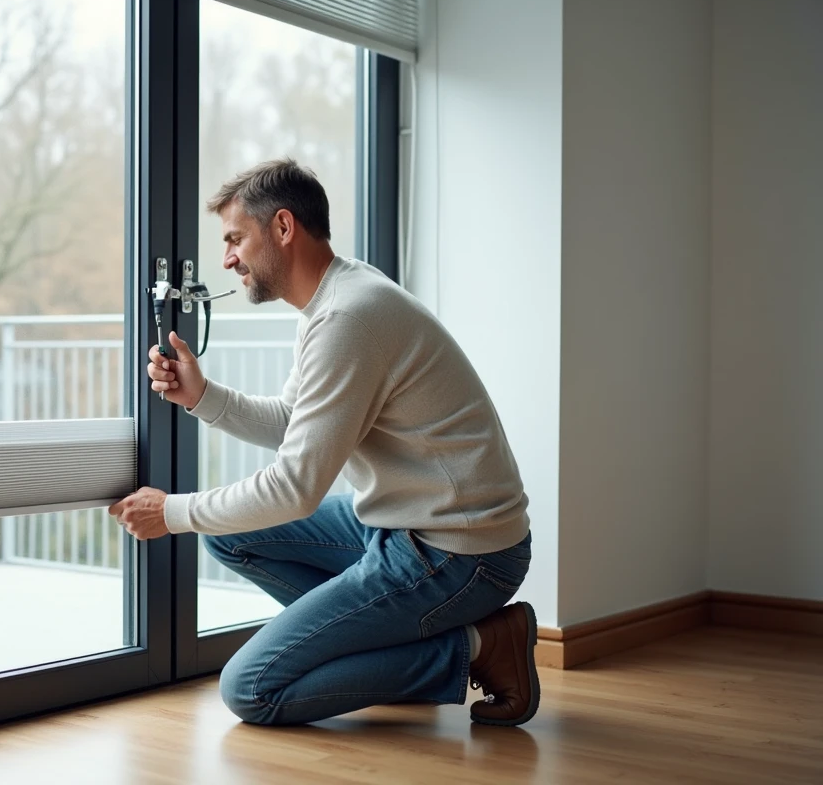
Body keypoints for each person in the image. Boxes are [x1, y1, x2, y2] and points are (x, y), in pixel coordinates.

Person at [108, 158, 538, 728]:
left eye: (235, 238)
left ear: (283, 228)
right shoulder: (336, 298)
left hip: (461, 551)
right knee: (231, 538)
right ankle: (385, 647)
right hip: (407, 525)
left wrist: (174, 512)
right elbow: (296, 421)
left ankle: (481, 646)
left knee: (252, 689)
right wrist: (201, 396)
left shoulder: (347, 317)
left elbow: (296, 488)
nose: (227, 258)